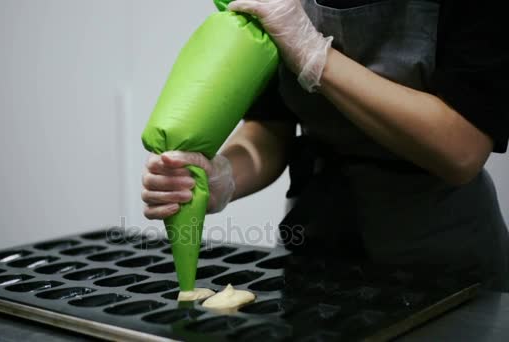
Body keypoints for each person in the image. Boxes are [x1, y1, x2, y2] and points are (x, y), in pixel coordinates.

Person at [141, 0, 509, 291]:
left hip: (445, 258)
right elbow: (269, 130)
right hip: (316, 250)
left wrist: (317, 58)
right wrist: (224, 176)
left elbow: (463, 150)